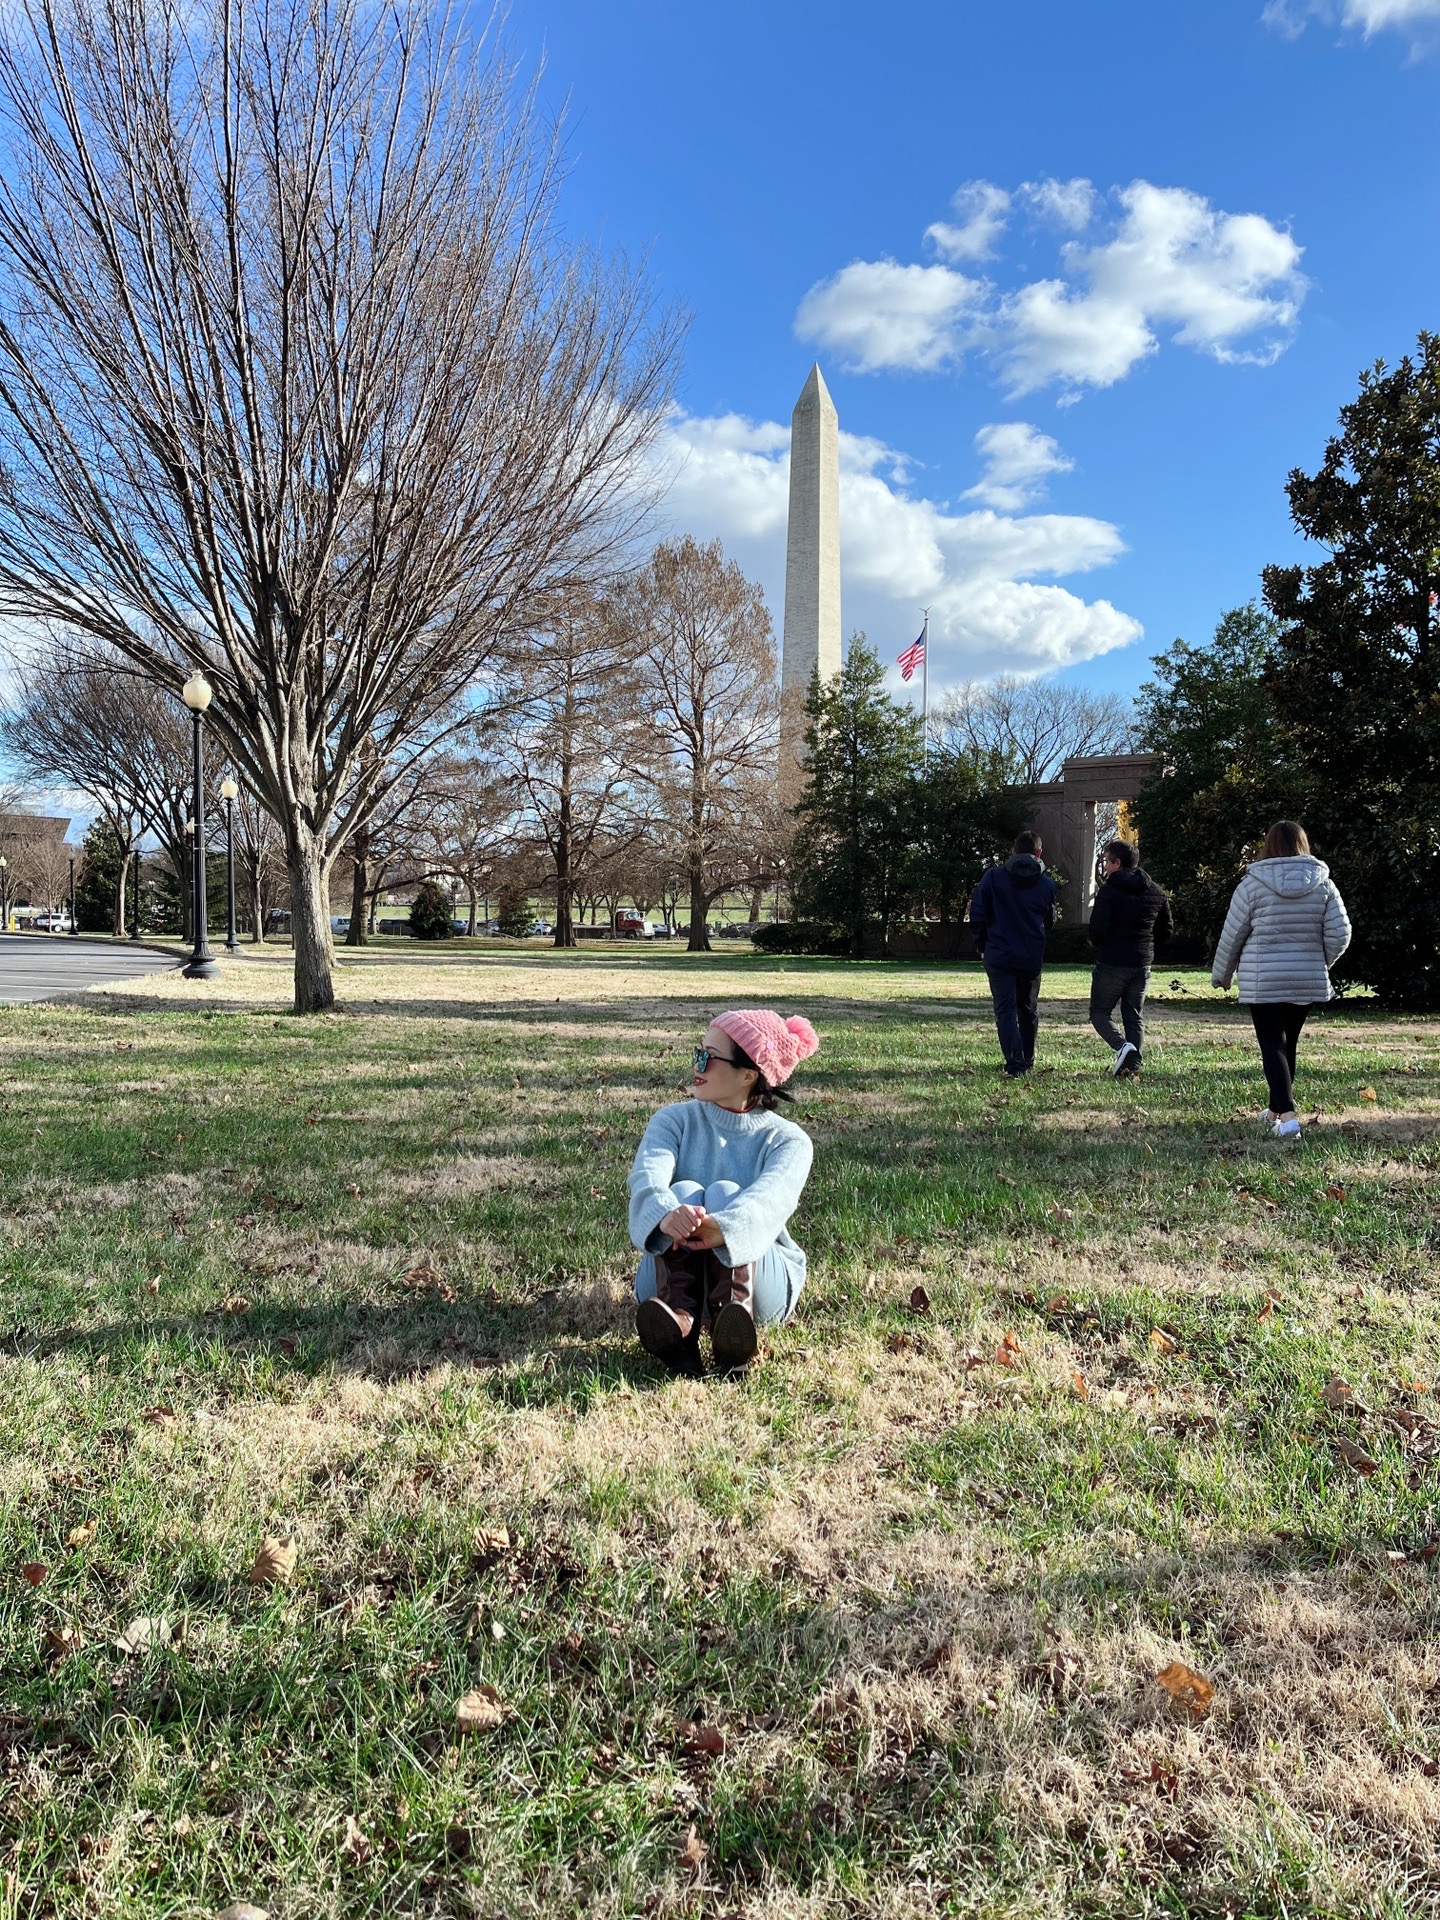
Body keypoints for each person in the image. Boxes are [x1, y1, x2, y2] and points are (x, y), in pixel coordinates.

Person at [627, 1010, 819, 1373]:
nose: (698, 1064)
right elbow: (646, 1179)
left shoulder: (789, 1141)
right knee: (681, 1190)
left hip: (762, 1293)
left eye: (709, 1057)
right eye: (698, 1052)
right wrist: (669, 1214)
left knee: (725, 1193)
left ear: (749, 1075)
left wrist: (724, 1228)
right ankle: (681, 1323)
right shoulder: (672, 1120)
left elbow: (768, 1202)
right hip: (666, 1290)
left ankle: (732, 1327)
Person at [1211, 821, 1351, 1141]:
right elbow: (1341, 933)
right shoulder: (1323, 884)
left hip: (1264, 980)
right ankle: (1275, 1109)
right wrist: (1319, 961)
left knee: (1272, 1043)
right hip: (1306, 979)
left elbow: (1233, 935)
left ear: (1269, 845)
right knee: (1289, 1043)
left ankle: (1287, 1118)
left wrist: (1222, 973)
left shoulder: (1252, 885)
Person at [969, 830, 1057, 1077]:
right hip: (1030, 954)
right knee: (1028, 1009)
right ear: (1039, 853)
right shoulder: (1047, 884)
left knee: (1005, 1009)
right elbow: (1049, 920)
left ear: (1013, 851)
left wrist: (982, 945)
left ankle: (1015, 1063)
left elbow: (978, 914)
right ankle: (1027, 1059)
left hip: (999, 953)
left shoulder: (993, 877)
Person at [1087, 839, 1173, 1078]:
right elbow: (1166, 929)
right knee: (1134, 1015)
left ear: (1117, 862)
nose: (1104, 866)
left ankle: (1123, 1047)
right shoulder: (1156, 891)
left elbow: (1097, 929)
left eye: (1106, 860)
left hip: (1112, 963)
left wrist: (1096, 943)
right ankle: (1133, 1066)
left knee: (1099, 1012)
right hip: (1142, 962)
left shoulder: (1110, 891)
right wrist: (1147, 944)